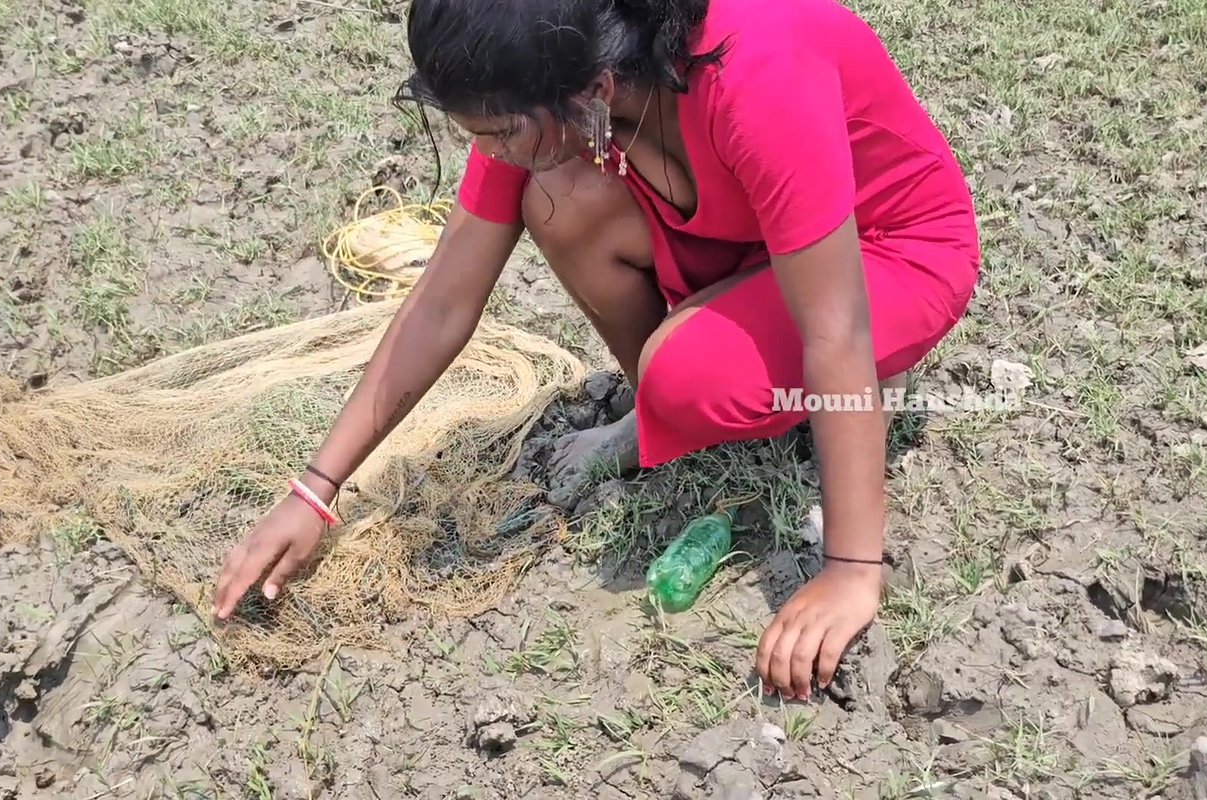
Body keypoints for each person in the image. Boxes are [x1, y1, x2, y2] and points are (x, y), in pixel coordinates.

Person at [213, 0, 980, 702]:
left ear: (596, 89)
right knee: (558, 197)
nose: (495, 155)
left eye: (501, 134)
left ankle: (737, 386)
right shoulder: (552, 62)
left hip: (886, 250)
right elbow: (446, 297)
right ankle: (677, 394)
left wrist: (850, 572)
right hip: (750, 240)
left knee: (687, 375)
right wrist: (317, 489)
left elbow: (834, 328)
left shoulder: (757, 71)